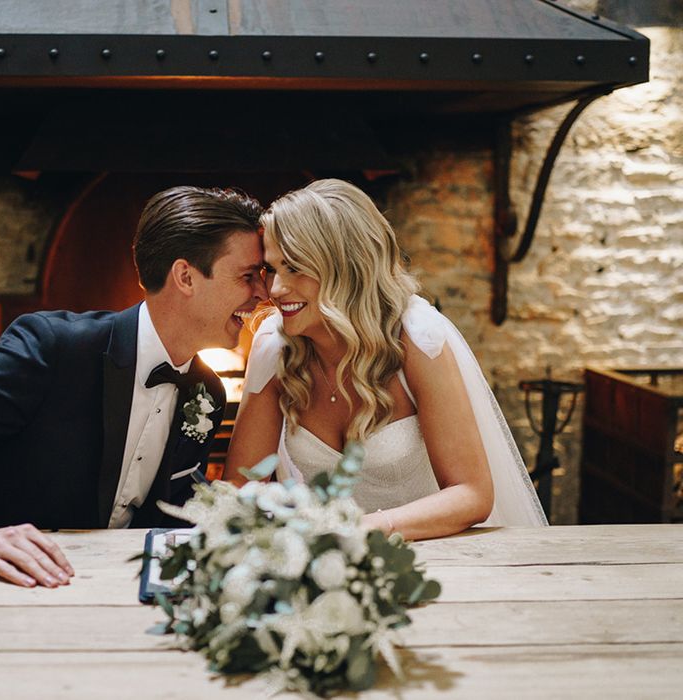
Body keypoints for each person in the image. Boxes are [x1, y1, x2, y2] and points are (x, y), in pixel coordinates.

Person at [0, 185, 268, 586]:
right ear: (185, 276)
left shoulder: (208, 393)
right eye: (247, 276)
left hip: (122, 593)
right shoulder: (52, 348)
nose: (262, 293)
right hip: (4, 587)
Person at [224, 179, 547, 539]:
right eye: (272, 269)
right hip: (320, 569)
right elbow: (238, 490)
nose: (276, 290)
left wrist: (366, 528)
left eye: (295, 268)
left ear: (345, 268)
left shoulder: (416, 339)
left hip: (430, 556)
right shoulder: (275, 346)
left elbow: (471, 494)